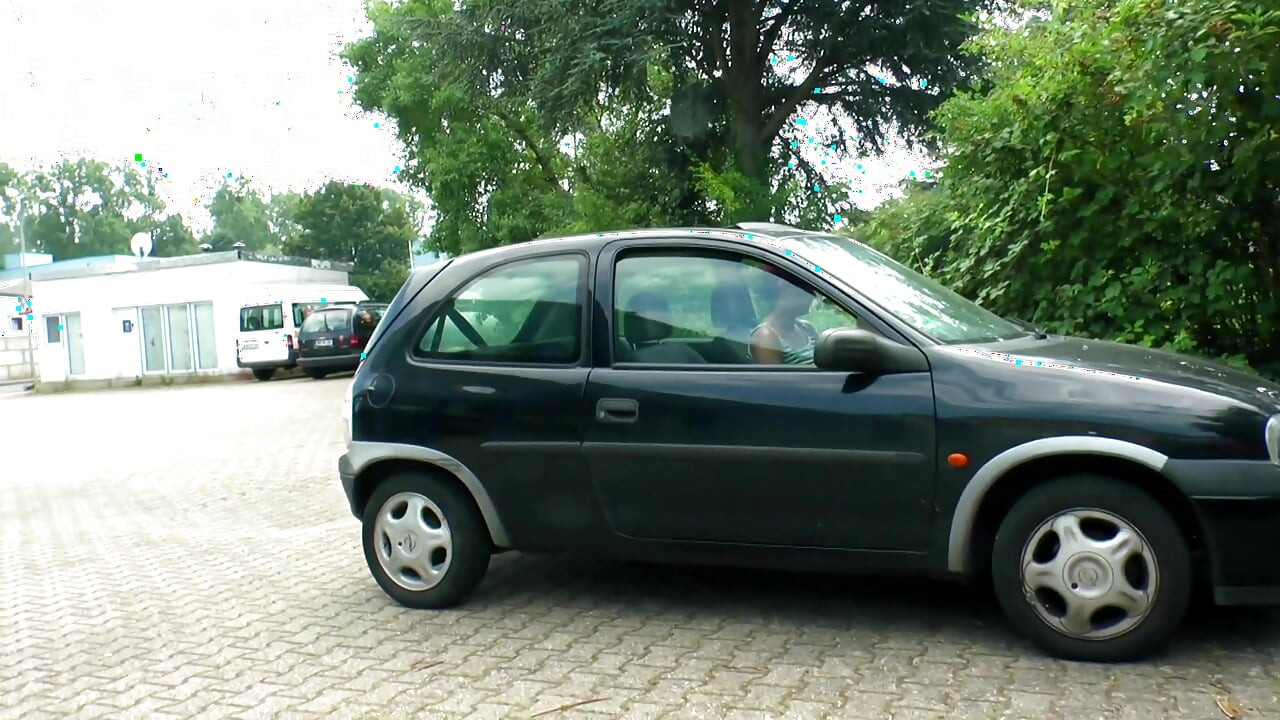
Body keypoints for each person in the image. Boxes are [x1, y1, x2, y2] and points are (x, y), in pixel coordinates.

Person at [749, 265, 819, 365]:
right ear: (785, 286)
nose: (813, 295)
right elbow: (775, 375)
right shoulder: (766, 336)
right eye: (807, 288)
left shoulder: (807, 328)